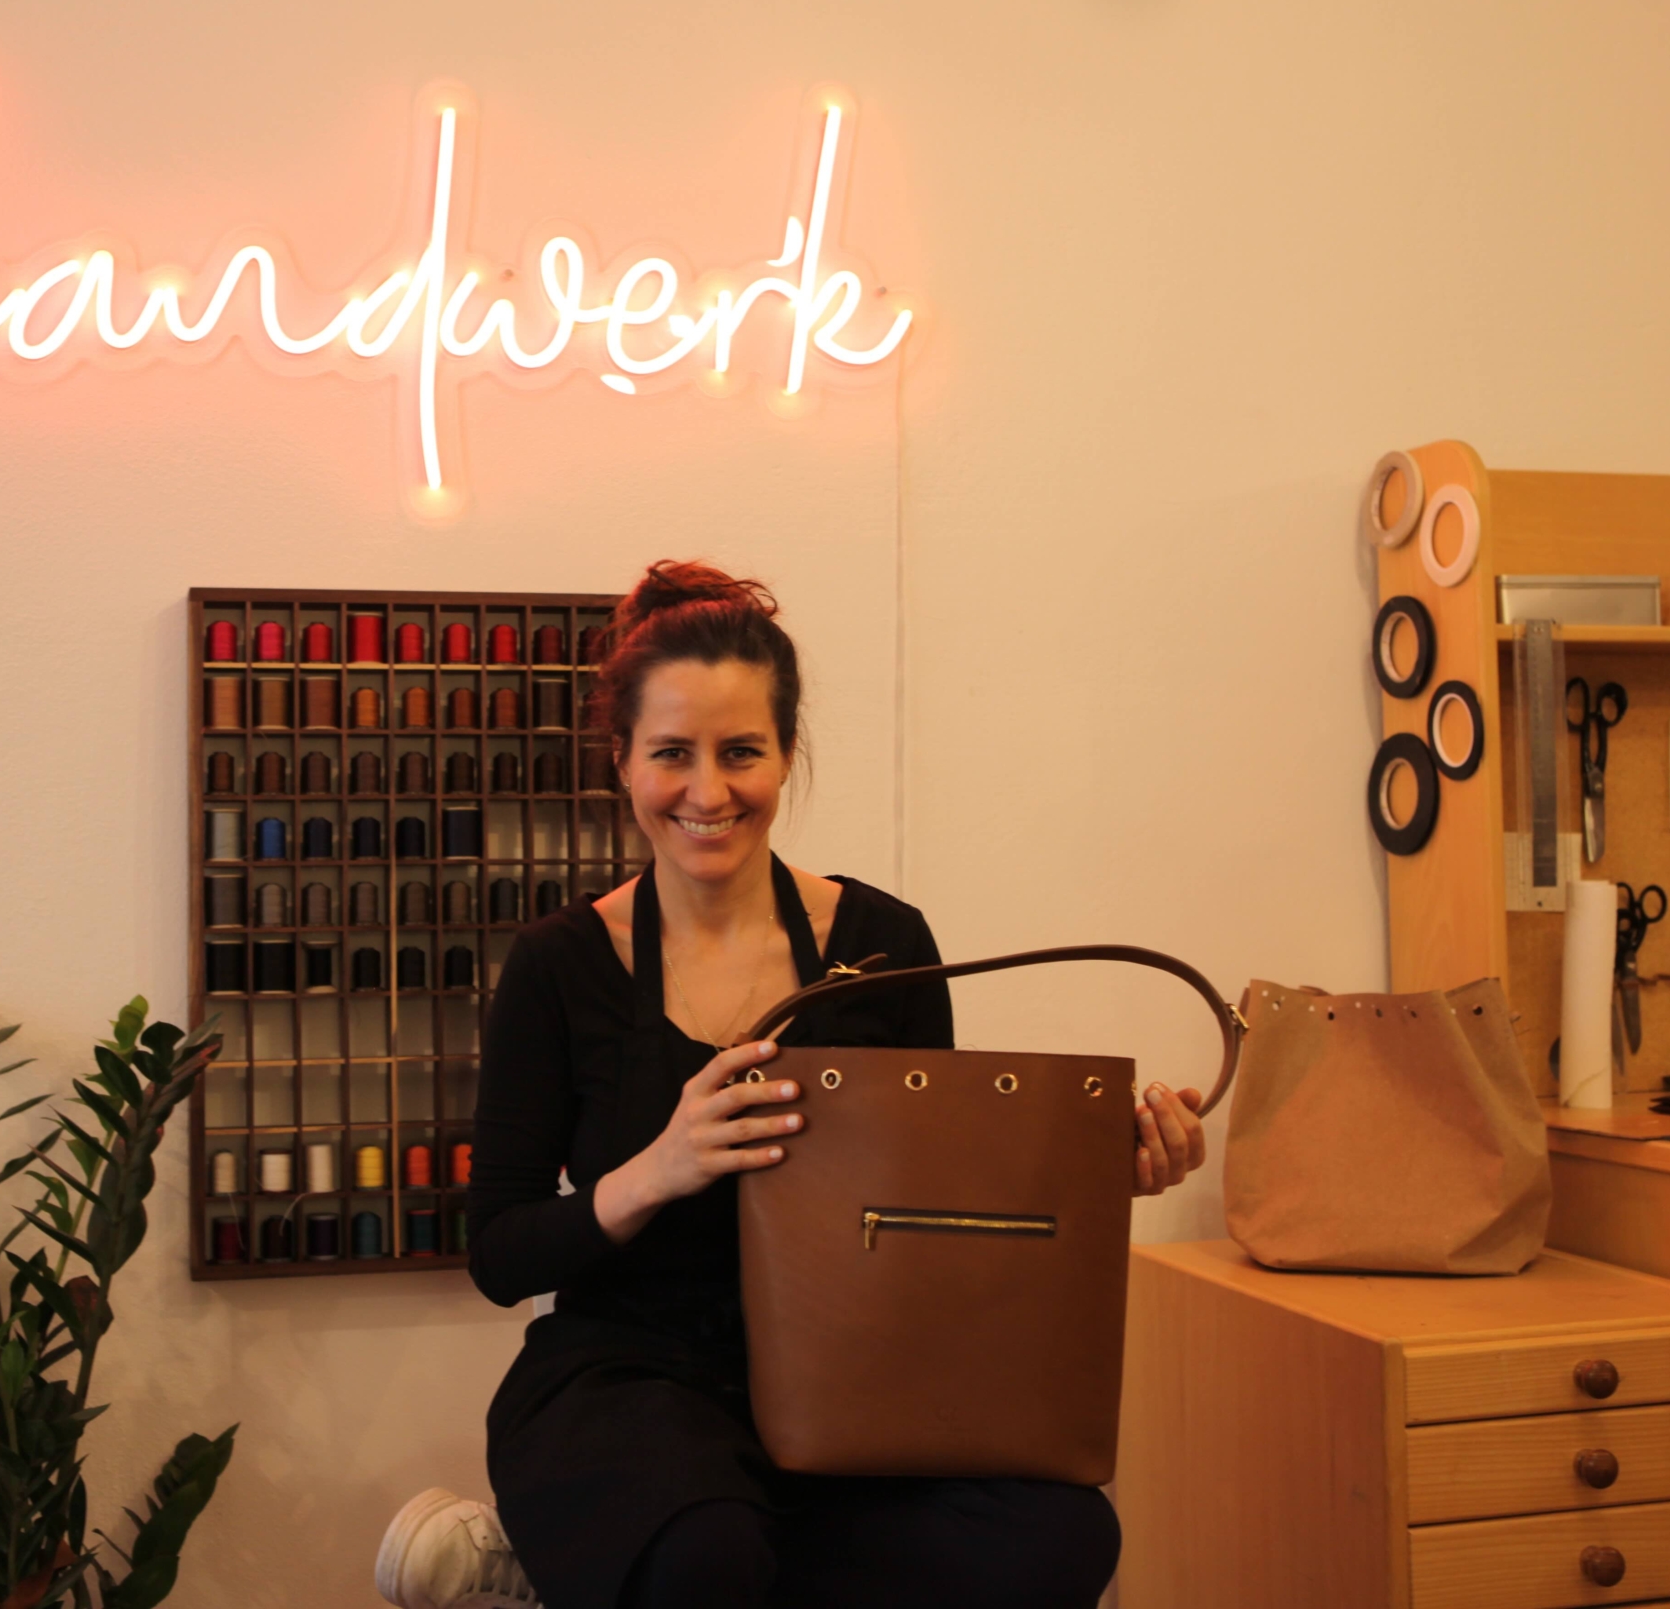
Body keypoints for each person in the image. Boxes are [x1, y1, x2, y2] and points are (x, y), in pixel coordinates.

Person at [376, 562, 1209, 1609]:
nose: (708, 792)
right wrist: (659, 1169)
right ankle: (621, 1556)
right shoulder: (558, 966)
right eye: (673, 754)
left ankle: (562, 1570)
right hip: (630, 1378)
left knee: (1058, 1538)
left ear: (785, 756)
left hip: (856, 1385)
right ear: (622, 763)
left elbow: (935, 1217)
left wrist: (1095, 1178)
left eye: (741, 754)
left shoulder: (884, 944)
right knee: (707, 1557)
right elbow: (498, 1253)